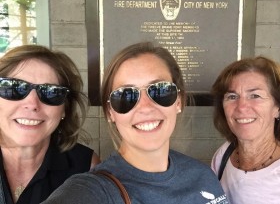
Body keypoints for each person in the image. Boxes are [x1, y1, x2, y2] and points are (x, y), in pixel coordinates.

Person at [41, 42, 229, 204]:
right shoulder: (96, 190)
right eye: (125, 96)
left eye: (160, 90)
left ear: (178, 101)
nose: (145, 107)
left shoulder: (203, 176)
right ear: (110, 113)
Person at [0, 45, 100, 204]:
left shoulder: (85, 166)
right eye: (14, 88)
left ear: (64, 109)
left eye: (50, 92)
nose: (32, 104)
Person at [210, 56, 280, 203]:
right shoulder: (223, 156)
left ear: (278, 108)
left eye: (255, 96)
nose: (241, 106)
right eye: (232, 96)